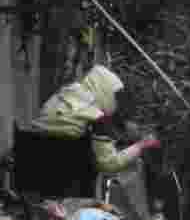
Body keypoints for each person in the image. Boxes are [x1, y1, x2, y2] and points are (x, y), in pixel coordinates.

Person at [30, 65, 160, 174]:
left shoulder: (70, 90)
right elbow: (109, 164)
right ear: (105, 91)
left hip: (30, 140)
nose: (116, 104)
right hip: (45, 165)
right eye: (116, 97)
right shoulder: (97, 118)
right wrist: (141, 145)